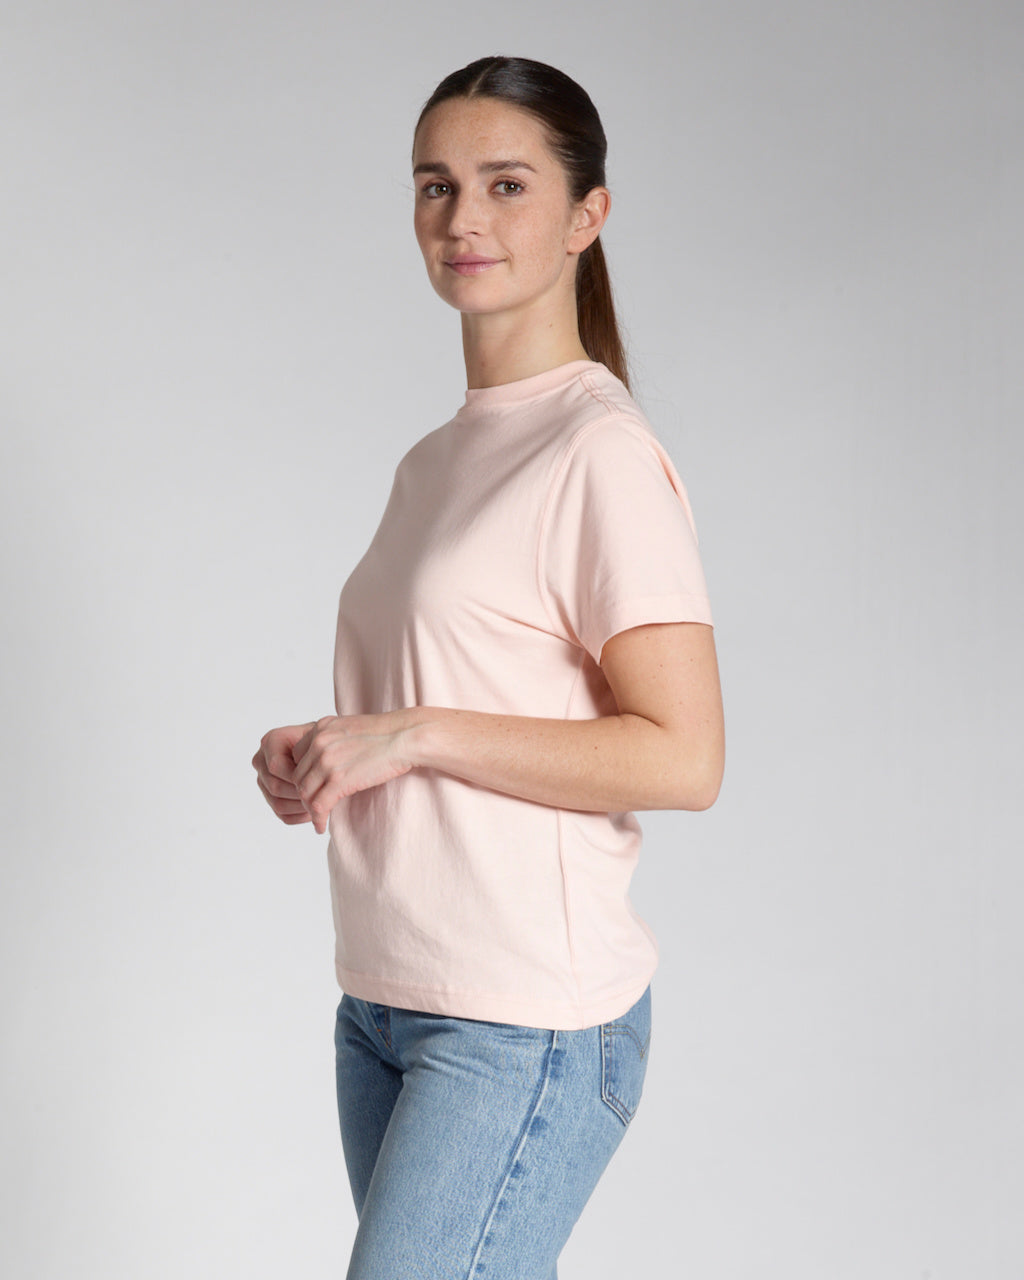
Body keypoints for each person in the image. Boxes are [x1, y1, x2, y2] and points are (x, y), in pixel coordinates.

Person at [252, 54, 725, 1280]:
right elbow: (462, 687)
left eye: (505, 185)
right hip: (385, 998)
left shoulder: (599, 450)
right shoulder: (434, 460)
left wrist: (409, 732)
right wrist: (328, 753)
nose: (462, 219)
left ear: (586, 215)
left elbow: (683, 754)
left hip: (522, 1019)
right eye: (435, 185)